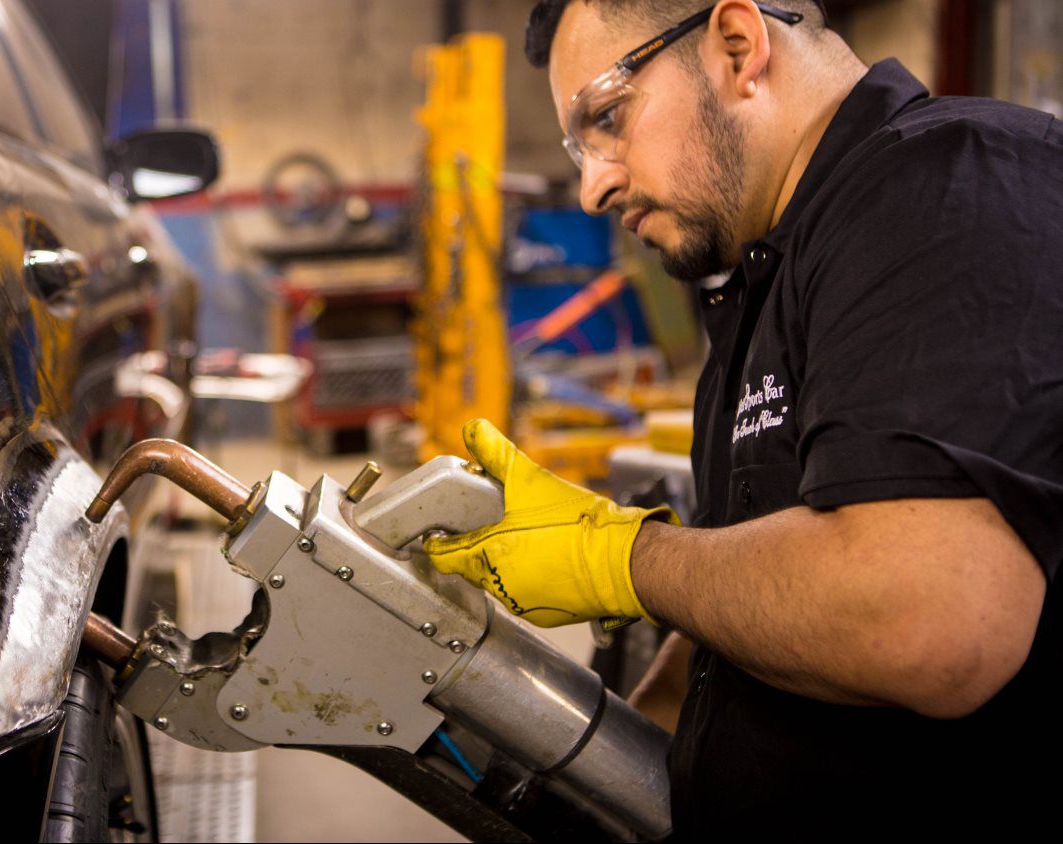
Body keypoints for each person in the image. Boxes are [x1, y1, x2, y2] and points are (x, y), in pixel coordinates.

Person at [422, 0, 1062, 837]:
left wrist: (623, 558)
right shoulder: (767, 276)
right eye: (582, 147)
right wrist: (613, 751)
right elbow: (760, 588)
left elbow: (929, 622)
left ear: (737, 46)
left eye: (607, 118)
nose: (593, 185)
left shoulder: (951, 188)